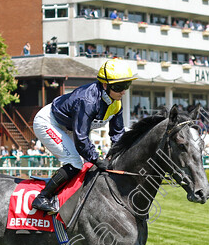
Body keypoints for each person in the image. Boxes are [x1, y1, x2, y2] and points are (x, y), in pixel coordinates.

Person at [30, 58, 135, 214]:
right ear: (105, 85)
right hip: (49, 122)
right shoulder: (88, 101)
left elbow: (117, 134)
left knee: (88, 166)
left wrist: (118, 156)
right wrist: (98, 159)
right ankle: (42, 197)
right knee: (75, 162)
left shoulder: (116, 103)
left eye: (126, 86)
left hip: (70, 128)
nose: (123, 92)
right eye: (119, 87)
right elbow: (81, 139)